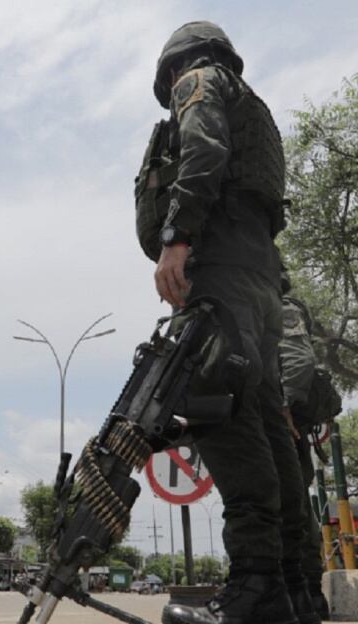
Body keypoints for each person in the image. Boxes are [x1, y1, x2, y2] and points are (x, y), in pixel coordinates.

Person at [141, 22, 313, 624]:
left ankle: (254, 590)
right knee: (266, 429)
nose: (170, 89)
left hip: (221, 276)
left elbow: (204, 150)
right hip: (261, 282)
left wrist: (178, 237)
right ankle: (291, 587)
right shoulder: (257, 108)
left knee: (223, 418)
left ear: (175, 67)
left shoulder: (200, 82)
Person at [279, 286, 331, 620]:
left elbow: (299, 360)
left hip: (285, 428)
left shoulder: (279, 306)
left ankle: (307, 592)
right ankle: (306, 595)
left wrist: (281, 405)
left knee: (291, 508)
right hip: (279, 426)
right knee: (293, 507)